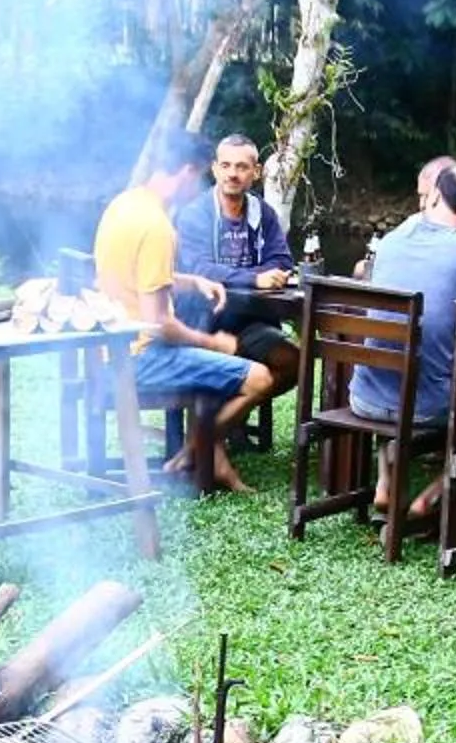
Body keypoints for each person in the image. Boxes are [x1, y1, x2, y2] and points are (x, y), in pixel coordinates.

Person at [92, 131, 276, 492]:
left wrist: (190, 281)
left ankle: (206, 455)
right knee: (260, 378)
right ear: (189, 172)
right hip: (139, 359)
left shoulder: (123, 205)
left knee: (226, 366)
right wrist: (213, 343)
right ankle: (196, 453)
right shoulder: (158, 227)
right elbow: (159, 324)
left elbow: (134, 274)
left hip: (104, 352)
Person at [349, 158, 456, 516]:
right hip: (424, 408)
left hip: (362, 396)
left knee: (398, 367)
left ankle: (385, 483)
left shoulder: (392, 241)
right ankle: (436, 494)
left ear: (435, 195)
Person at [169, 133, 302, 395]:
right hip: (203, 321)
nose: (233, 174)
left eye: (242, 167)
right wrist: (255, 278)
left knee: (294, 361)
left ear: (257, 171)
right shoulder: (195, 214)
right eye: (226, 165)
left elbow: (282, 260)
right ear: (215, 169)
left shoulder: (263, 212)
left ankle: (222, 425)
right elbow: (200, 268)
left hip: (251, 320)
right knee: (226, 367)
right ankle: (215, 429)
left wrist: (261, 275)